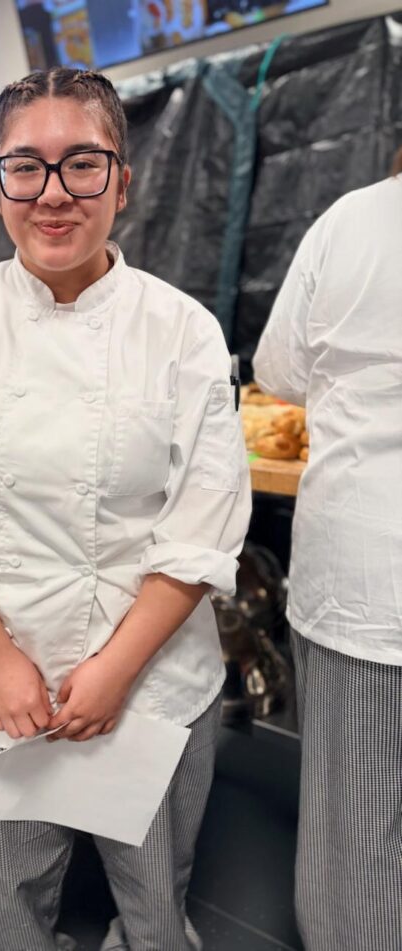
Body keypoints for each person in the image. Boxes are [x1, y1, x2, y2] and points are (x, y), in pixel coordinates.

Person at [0, 67, 251, 951]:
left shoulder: (183, 329)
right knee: (3, 913)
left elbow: (202, 523)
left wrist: (118, 666)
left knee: (157, 905)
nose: (53, 195)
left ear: (123, 180)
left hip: (151, 678)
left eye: (82, 164)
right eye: (25, 167)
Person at [252, 148, 402, 951]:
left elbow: (278, 370)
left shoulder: (348, 220)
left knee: (356, 825)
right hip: (366, 580)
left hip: (363, 582)